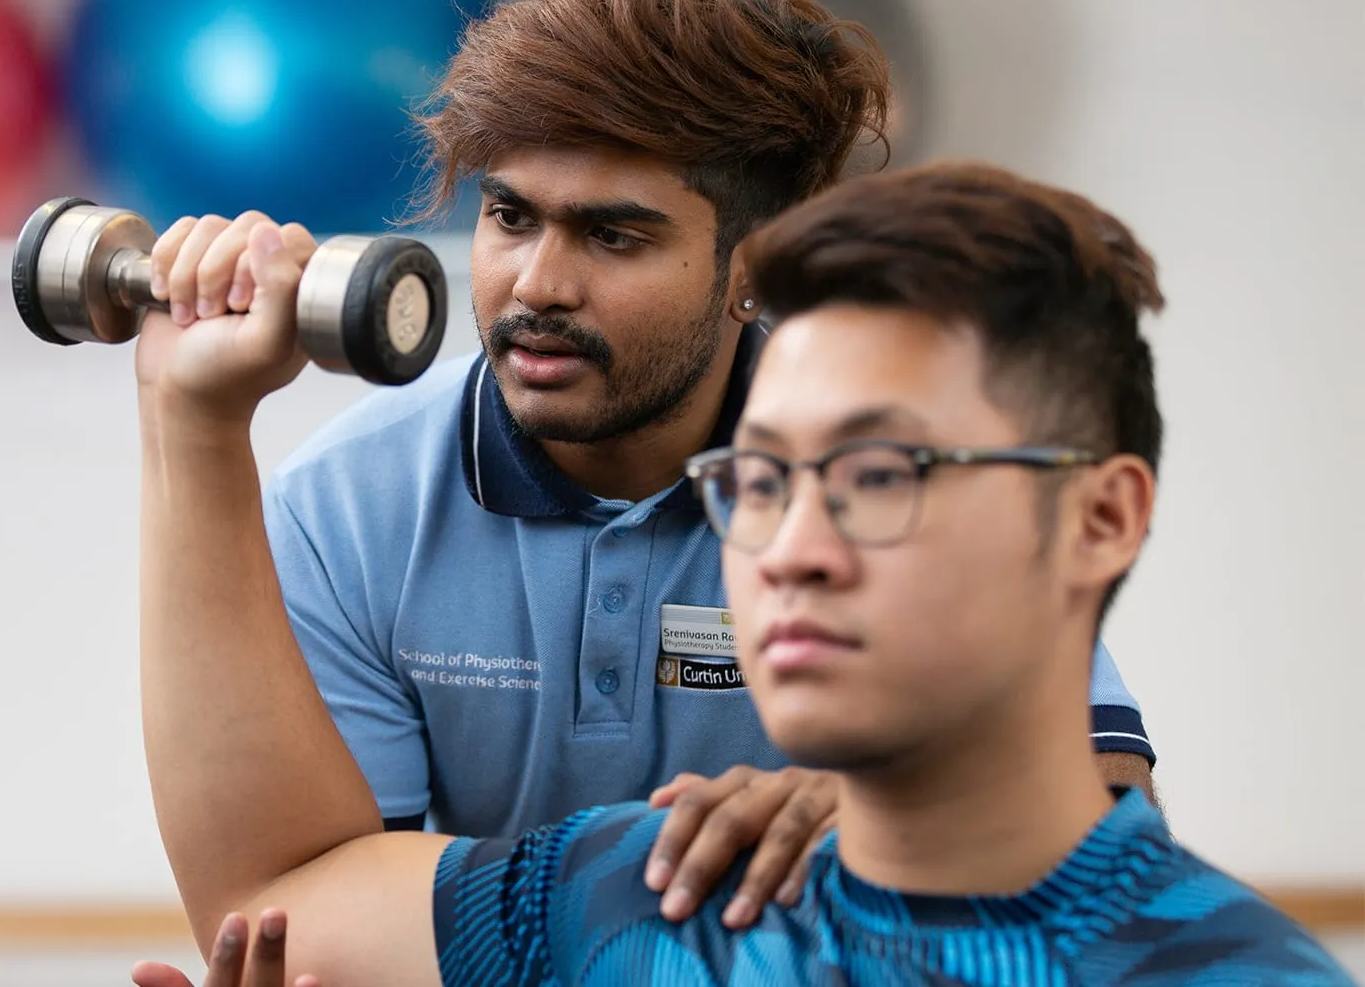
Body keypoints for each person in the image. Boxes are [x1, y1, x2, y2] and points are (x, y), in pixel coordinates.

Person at [127, 160, 1356, 984]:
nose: (790, 548)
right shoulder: (633, 887)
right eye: (758, 482)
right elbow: (278, 909)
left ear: (1098, 520)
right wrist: (189, 419)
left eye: (878, 473)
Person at [140, 0, 1157, 927]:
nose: (538, 284)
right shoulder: (345, 504)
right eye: (509, 216)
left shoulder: (898, 483)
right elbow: (300, 917)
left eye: (613, 236)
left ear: (751, 271)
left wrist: (887, 816)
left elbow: (1109, 833)